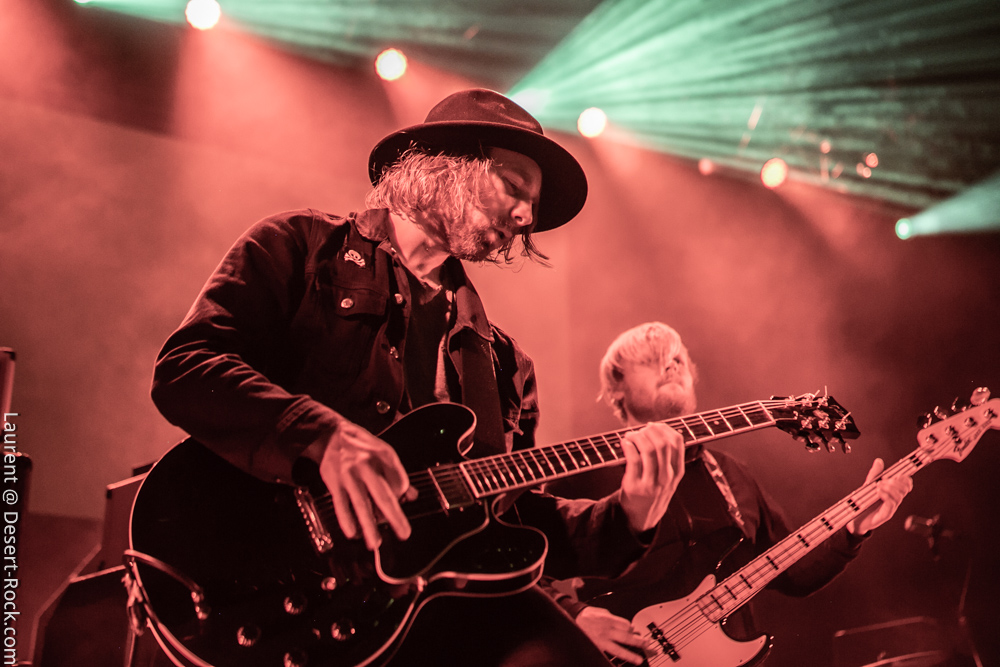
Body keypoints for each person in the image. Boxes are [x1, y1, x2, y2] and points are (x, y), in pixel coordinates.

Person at [148, 90, 685, 666]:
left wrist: (627, 515)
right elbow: (187, 366)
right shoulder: (300, 246)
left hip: (415, 618)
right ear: (443, 164)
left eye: (532, 205)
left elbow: (510, 519)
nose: (527, 217)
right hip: (261, 575)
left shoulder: (505, 363)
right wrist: (319, 436)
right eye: (513, 186)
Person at [542, 322, 913, 665]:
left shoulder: (732, 474)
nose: (670, 365)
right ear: (616, 389)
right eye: (650, 359)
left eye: (678, 359)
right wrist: (575, 616)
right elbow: (525, 570)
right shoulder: (580, 476)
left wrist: (853, 529)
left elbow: (794, 574)